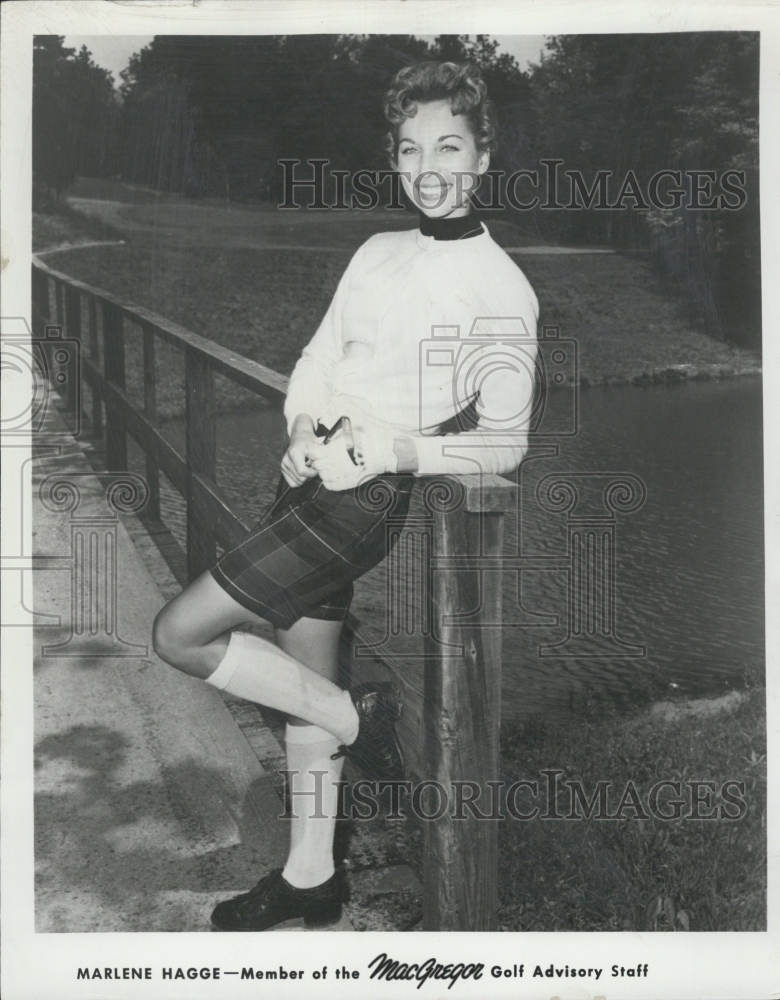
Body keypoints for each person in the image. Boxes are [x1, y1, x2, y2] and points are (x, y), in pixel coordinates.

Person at [152, 59, 539, 932]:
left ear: (482, 156)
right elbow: (322, 359)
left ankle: (361, 720)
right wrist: (298, 427)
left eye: (450, 145)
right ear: (395, 159)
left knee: (177, 635)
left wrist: (394, 450)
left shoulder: (503, 289)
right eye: (411, 149)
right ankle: (311, 876)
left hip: (359, 507)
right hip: (302, 483)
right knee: (301, 691)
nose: (430, 167)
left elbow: (506, 439)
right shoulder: (375, 251)